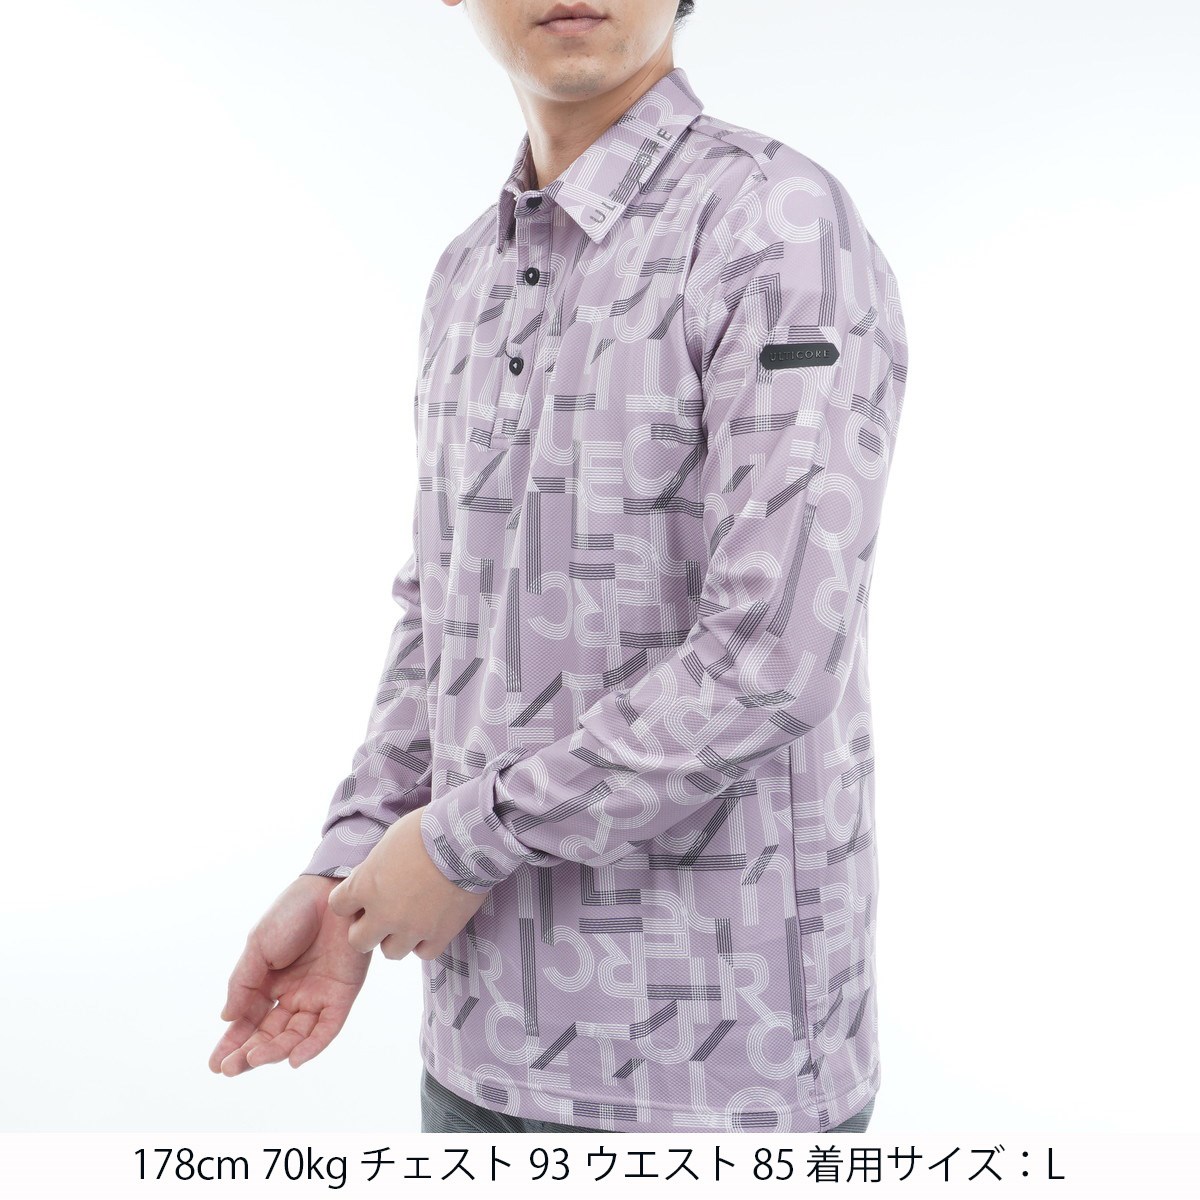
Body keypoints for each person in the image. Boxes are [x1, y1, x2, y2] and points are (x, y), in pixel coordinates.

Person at [210, 0, 907, 1137]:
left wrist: (458, 843)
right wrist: (346, 870)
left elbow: (774, 655)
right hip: (477, 1047)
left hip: (720, 1075)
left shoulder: (774, 222)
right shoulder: (465, 273)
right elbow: (443, 608)